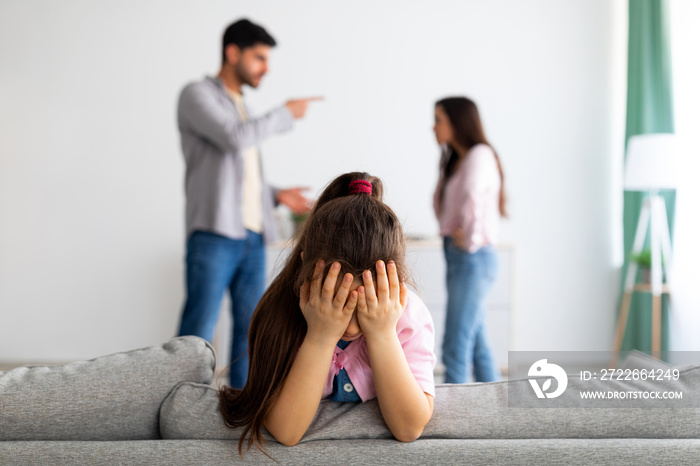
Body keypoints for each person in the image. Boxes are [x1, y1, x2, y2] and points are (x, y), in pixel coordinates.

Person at [219, 172, 436, 453]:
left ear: (395, 287)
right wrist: (321, 335)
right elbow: (286, 432)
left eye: (365, 307)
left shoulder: (408, 318)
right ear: (305, 275)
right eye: (337, 301)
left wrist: (382, 334)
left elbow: (408, 428)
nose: (353, 327)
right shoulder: (278, 315)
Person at [176, 18, 320, 389]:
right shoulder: (197, 95)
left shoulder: (242, 105)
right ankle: (179, 406)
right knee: (197, 333)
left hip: (252, 236)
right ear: (232, 52)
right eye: (259, 57)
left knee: (251, 331)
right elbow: (233, 139)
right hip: (214, 234)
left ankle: (240, 412)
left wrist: (274, 194)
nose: (266, 68)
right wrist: (286, 113)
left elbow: (239, 174)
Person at [432, 96, 507, 384]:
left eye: (438, 119)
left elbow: (475, 196)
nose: (433, 127)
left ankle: (455, 424)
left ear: (457, 122)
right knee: (476, 344)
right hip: (459, 256)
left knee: (455, 346)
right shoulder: (457, 159)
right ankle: (499, 414)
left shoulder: (479, 155)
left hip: (472, 257)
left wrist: (471, 237)